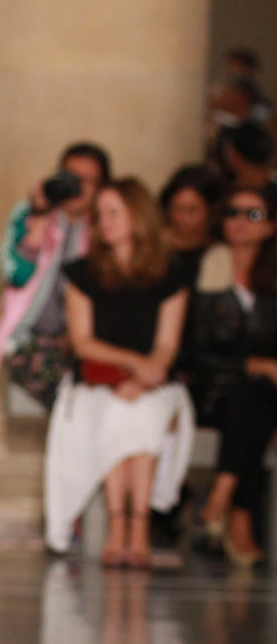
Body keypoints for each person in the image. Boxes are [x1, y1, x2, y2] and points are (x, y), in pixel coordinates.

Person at [44, 178, 193, 567]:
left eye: (114, 213)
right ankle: (120, 526)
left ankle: (137, 527)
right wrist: (131, 366)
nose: (104, 222)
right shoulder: (83, 273)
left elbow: (167, 344)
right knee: (116, 412)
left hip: (155, 382)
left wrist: (147, 374)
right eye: (100, 215)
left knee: (144, 411)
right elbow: (83, 342)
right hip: (97, 382)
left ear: (137, 216)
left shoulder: (171, 274)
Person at [189, 185, 277, 567]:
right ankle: (238, 520)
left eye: (253, 215)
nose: (241, 223)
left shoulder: (273, 281)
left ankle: (221, 499)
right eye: (233, 213)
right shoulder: (205, 270)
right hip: (212, 391)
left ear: (271, 225)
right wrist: (249, 366)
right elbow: (192, 351)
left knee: (256, 396)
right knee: (252, 391)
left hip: (263, 395)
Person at [0, 141, 111, 409]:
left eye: (89, 181)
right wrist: (40, 218)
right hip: (28, 343)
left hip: (79, 346)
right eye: (72, 178)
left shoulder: (104, 229)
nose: (79, 187)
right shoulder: (29, 214)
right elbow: (16, 275)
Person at [159, 163, 221, 287]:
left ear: (211, 210)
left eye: (192, 210)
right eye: (177, 209)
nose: (183, 218)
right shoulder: (154, 245)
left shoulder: (218, 249)